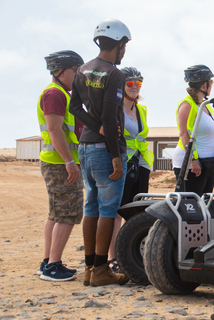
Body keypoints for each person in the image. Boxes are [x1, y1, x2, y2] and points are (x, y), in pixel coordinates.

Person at [69, 18, 131, 287]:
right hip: (105, 152)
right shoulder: (115, 74)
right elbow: (109, 116)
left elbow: (75, 108)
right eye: (125, 45)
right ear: (118, 44)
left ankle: (89, 270)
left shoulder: (83, 70)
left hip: (85, 148)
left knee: (91, 207)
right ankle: (102, 271)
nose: (125, 50)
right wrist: (115, 154)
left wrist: (95, 128)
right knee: (107, 209)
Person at [37, 50, 85, 281]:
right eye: (75, 71)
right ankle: (53, 265)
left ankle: (48, 261)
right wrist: (69, 162)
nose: (77, 77)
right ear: (59, 72)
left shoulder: (61, 94)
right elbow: (55, 131)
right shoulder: (55, 94)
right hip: (60, 164)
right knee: (68, 213)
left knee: (56, 214)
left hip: (59, 163)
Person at [107, 67, 154, 272]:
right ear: (121, 85)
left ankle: (131, 254)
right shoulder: (114, 107)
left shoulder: (141, 109)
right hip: (122, 163)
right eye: (130, 83)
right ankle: (113, 257)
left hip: (141, 164)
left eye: (138, 83)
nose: (135, 87)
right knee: (117, 211)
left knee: (135, 210)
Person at [172, 64, 214, 196]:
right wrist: (192, 160)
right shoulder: (187, 105)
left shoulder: (205, 106)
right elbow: (184, 134)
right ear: (204, 85)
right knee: (191, 206)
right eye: (211, 82)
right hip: (192, 164)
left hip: (208, 163)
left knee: (204, 205)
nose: (211, 86)